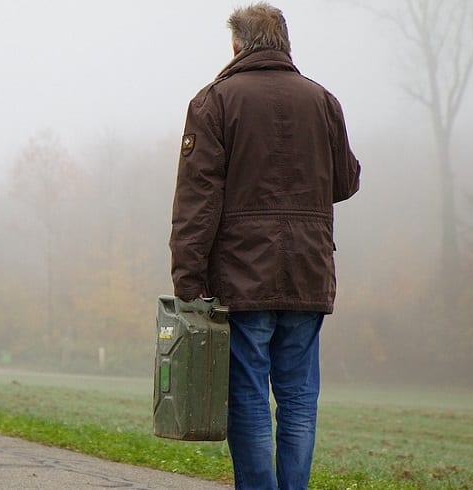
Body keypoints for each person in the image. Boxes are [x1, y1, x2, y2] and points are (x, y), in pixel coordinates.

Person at [169, 3, 361, 489]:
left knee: (250, 396)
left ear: (237, 44)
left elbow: (199, 198)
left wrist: (187, 277)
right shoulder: (323, 101)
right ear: (285, 43)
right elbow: (346, 181)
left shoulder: (213, 102)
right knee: (298, 398)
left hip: (242, 276)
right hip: (309, 271)